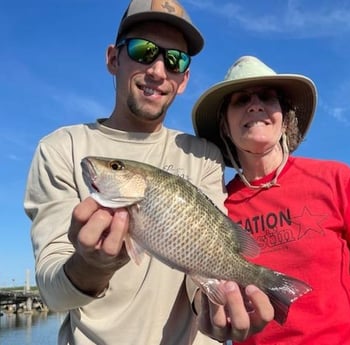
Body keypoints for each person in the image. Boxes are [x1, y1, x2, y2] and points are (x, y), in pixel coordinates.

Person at [23, 3, 274, 345]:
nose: (158, 70)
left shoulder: (202, 155)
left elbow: (198, 273)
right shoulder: (60, 148)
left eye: (175, 60)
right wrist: (91, 265)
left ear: (184, 80)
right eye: (144, 50)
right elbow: (54, 294)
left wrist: (219, 307)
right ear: (113, 58)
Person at [192, 55, 350, 344]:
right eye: (240, 100)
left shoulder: (336, 178)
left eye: (268, 98)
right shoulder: (217, 207)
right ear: (225, 126)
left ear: (285, 119)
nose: (255, 105)